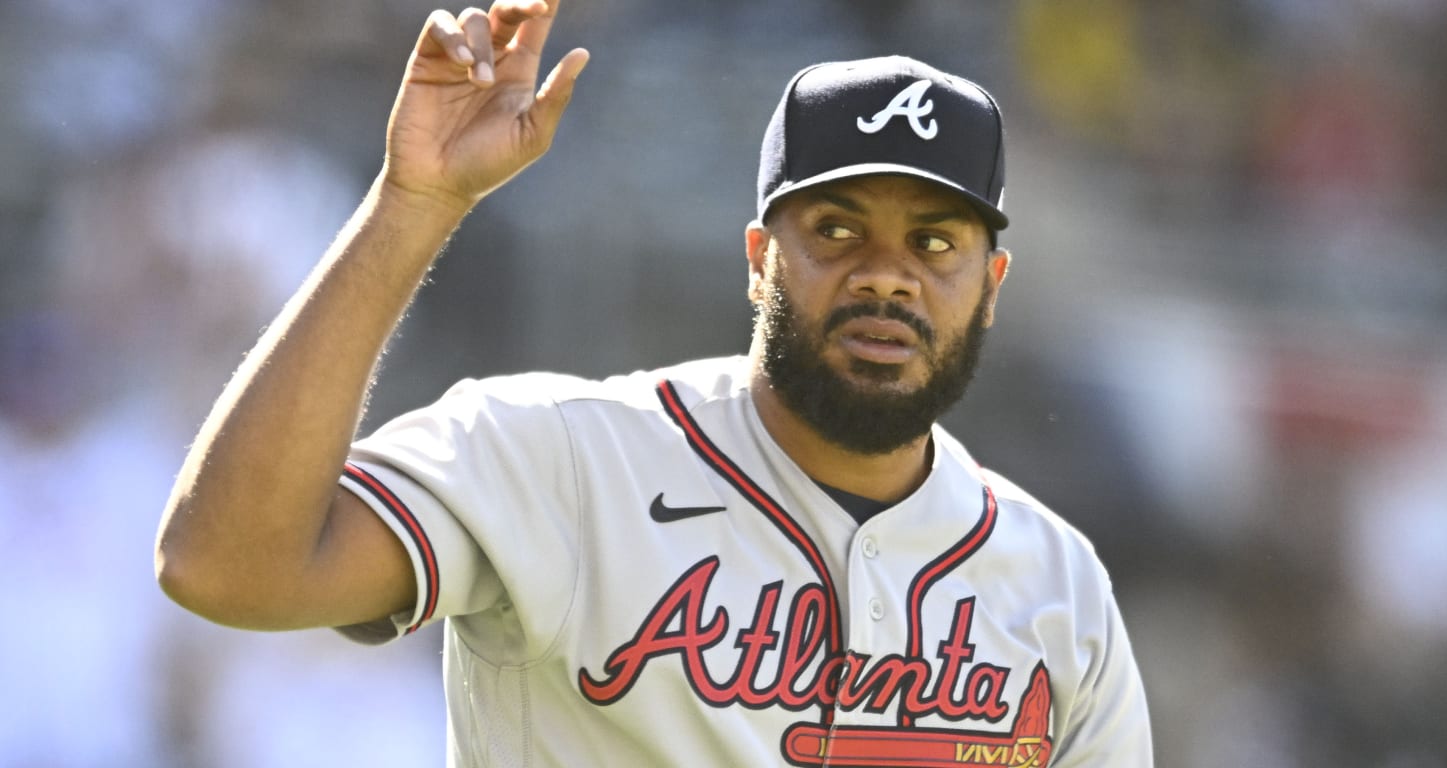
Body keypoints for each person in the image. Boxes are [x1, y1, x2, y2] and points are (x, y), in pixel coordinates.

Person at [154, 1, 1153, 765]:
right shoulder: (560, 460)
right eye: (838, 230)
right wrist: (412, 203)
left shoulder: (1058, 588)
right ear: (759, 259)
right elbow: (225, 566)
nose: (885, 273)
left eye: (933, 242)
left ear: (990, 287)